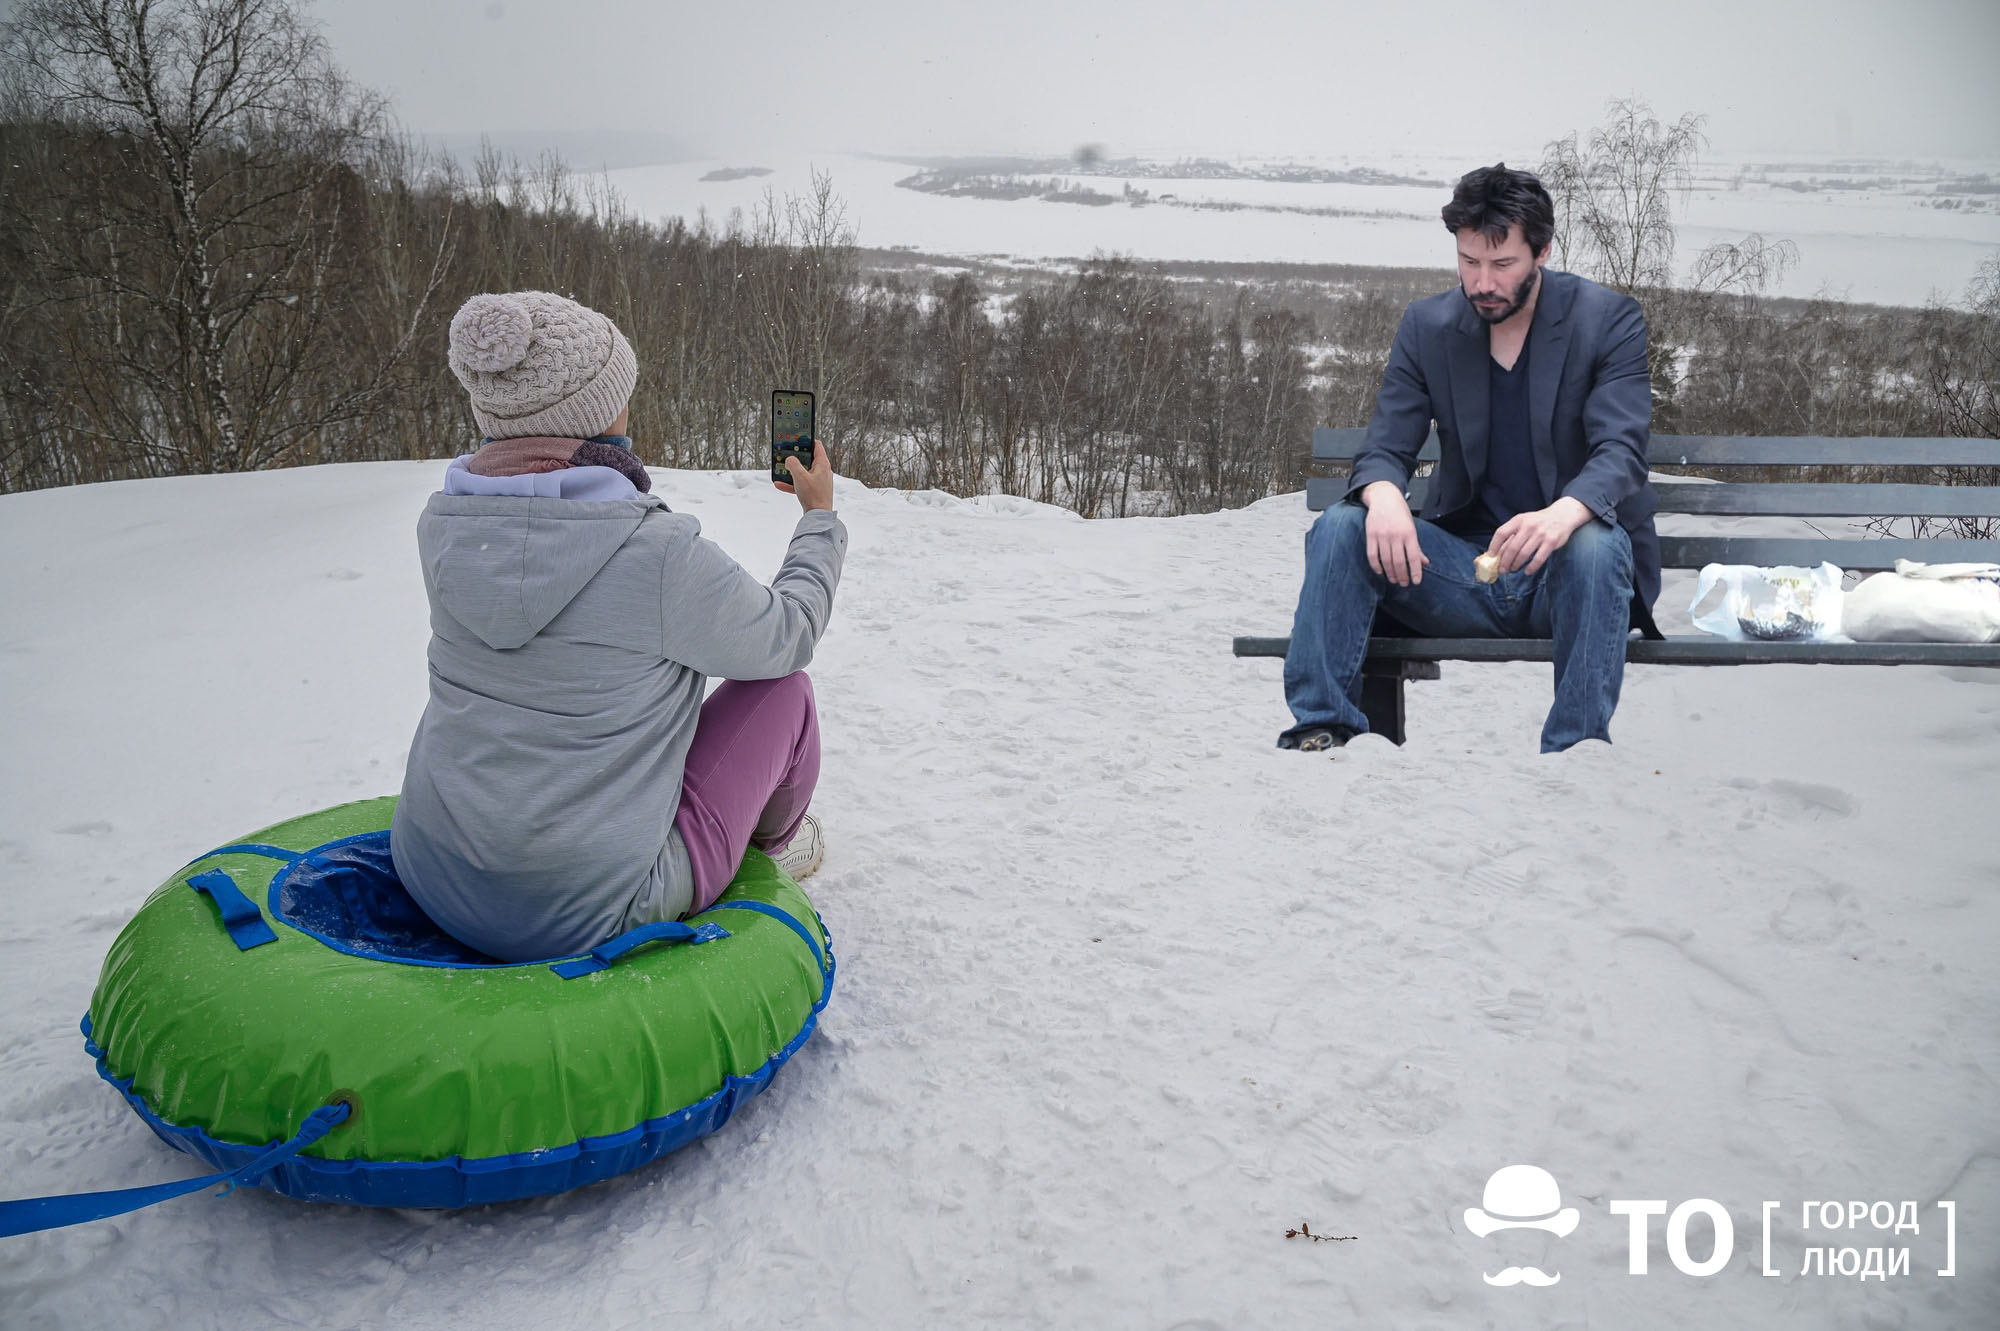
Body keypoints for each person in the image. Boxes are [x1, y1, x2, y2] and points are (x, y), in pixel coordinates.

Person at [391, 290, 846, 962]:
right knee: (786, 694)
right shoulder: (654, 553)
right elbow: (788, 634)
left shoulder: (445, 526)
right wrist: (819, 518)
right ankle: (771, 847)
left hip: (433, 871)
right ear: (598, 415)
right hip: (586, 906)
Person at [1280, 163, 1662, 755]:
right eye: (1468, 261)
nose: (1483, 281)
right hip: (1462, 573)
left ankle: (1577, 751)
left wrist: (1561, 515)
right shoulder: (1428, 327)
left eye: (1502, 264)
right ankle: (1321, 729)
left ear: (1542, 252)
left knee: (1596, 542)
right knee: (1341, 527)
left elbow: (1622, 450)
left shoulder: (1607, 320)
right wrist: (1381, 495)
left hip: (1569, 576)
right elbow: (1385, 446)